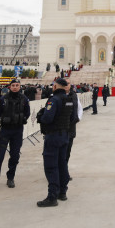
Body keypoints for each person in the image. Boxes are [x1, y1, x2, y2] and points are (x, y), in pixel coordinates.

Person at [35, 77, 76, 207]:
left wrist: (40, 116)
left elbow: (47, 118)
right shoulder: (70, 100)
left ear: (55, 87)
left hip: (53, 136)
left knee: (51, 165)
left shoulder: (54, 100)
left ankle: (52, 196)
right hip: (65, 135)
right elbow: (73, 118)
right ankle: (62, 192)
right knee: (62, 164)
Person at [0, 79, 30, 193]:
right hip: (5, 130)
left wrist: (22, 120)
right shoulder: (3, 98)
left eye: (17, 85)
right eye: (13, 85)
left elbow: (27, 113)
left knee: (15, 156)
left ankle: (10, 178)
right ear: (10, 86)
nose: (15, 87)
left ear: (20, 86)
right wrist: (3, 121)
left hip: (17, 131)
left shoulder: (24, 99)